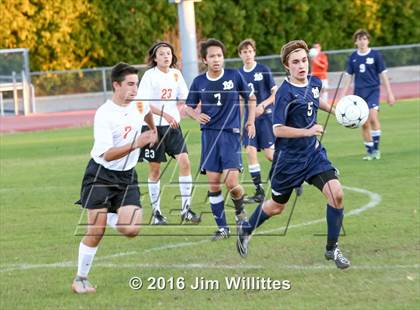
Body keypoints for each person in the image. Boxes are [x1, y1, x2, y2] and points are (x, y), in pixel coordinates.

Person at [236, 40, 351, 269]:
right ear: (287, 66)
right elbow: (277, 129)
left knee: (336, 194)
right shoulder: (284, 93)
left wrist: (339, 112)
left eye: (304, 60)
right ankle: (247, 229)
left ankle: (332, 248)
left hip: (313, 155)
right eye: (295, 62)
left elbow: (316, 99)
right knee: (277, 207)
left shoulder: (315, 82)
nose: (301, 65)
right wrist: (308, 131)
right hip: (288, 161)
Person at [72, 62, 158, 293]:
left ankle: (110, 216)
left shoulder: (138, 104)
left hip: (127, 177)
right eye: (130, 84)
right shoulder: (104, 114)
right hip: (101, 174)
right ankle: (80, 279)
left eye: (136, 84)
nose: (134, 89)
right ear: (116, 85)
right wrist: (137, 142)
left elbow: (147, 110)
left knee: (131, 230)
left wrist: (153, 130)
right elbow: (107, 155)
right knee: (96, 231)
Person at [184, 38, 257, 241]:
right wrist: (196, 115)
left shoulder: (235, 76)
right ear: (204, 60)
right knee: (214, 184)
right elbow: (188, 106)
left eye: (219, 55)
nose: (216, 59)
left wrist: (250, 122)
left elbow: (251, 98)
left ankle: (240, 211)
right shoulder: (199, 81)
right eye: (212, 56)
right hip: (209, 136)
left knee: (231, 182)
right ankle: (223, 229)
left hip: (230, 134)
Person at [137, 41, 200, 225]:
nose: (166, 56)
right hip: (153, 128)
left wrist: (198, 109)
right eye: (162, 53)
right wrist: (164, 114)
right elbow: (144, 103)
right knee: (155, 170)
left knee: (185, 162)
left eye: (169, 53)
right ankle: (156, 213)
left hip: (173, 128)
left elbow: (187, 98)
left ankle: (186, 209)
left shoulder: (176, 74)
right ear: (155, 58)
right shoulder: (149, 76)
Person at [342, 29, 395, 160]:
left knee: (372, 118)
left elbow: (383, 74)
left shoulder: (376, 55)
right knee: (364, 123)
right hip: (359, 94)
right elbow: (348, 77)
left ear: (368, 40)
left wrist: (390, 93)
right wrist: (343, 95)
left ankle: (376, 150)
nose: (362, 41)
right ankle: (370, 152)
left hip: (373, 91)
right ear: (356, 42)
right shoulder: (353, 57)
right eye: (359, 39)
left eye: (364, 39)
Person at [237, 38, 277, 203]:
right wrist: (239, 123)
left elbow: (276, 95)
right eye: (244, 52)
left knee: (269, 155)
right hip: (250, 120)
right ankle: (259, 191)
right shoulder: (239, 75)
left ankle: (291, 174)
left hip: (266, 117)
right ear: (240, 55)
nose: (248, 54)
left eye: (250, 51)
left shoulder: (263, 70)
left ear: (255, 52)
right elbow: (240, 101)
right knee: (250, 152)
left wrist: (263, 104)